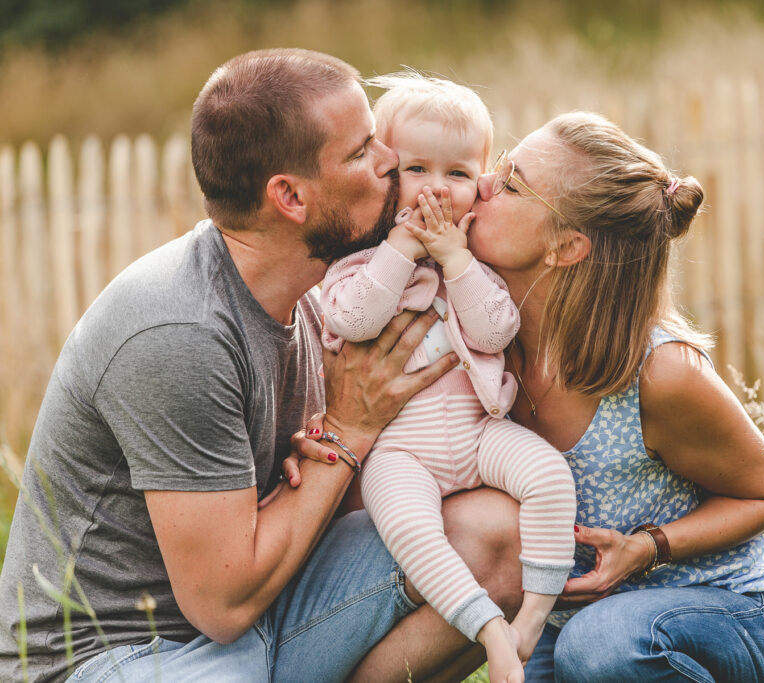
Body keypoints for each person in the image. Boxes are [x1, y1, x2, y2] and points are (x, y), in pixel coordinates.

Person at [0, 49, 523, 683]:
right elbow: (221, 606)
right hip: (127, 653)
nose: (390, 161)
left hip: (267, 614)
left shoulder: (327, 293)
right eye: (362, 152)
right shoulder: (180, 332)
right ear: (291, 197)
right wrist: (348, 433)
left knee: (498, 539)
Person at [351, 111, 764, 682]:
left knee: (598, 649)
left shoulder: (660, 373)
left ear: (565, 247)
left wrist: (648, 547)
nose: (482, 184)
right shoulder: (489, 350)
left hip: (731, 610)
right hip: (575, 621)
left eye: (512, 183)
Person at [319, 72, 575, 682]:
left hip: (476, 429)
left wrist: (455, 259)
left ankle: (532, 619)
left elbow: (493, 333)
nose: (437, 188)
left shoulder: (477, 265)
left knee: (549, 476)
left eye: (458, 174)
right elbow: (354, 318)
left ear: (480, 181)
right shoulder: (358, 262)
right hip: (401, 451)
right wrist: (404, 249)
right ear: (385, 176)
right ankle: (486, 627)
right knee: (412, 531)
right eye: (417, 170)